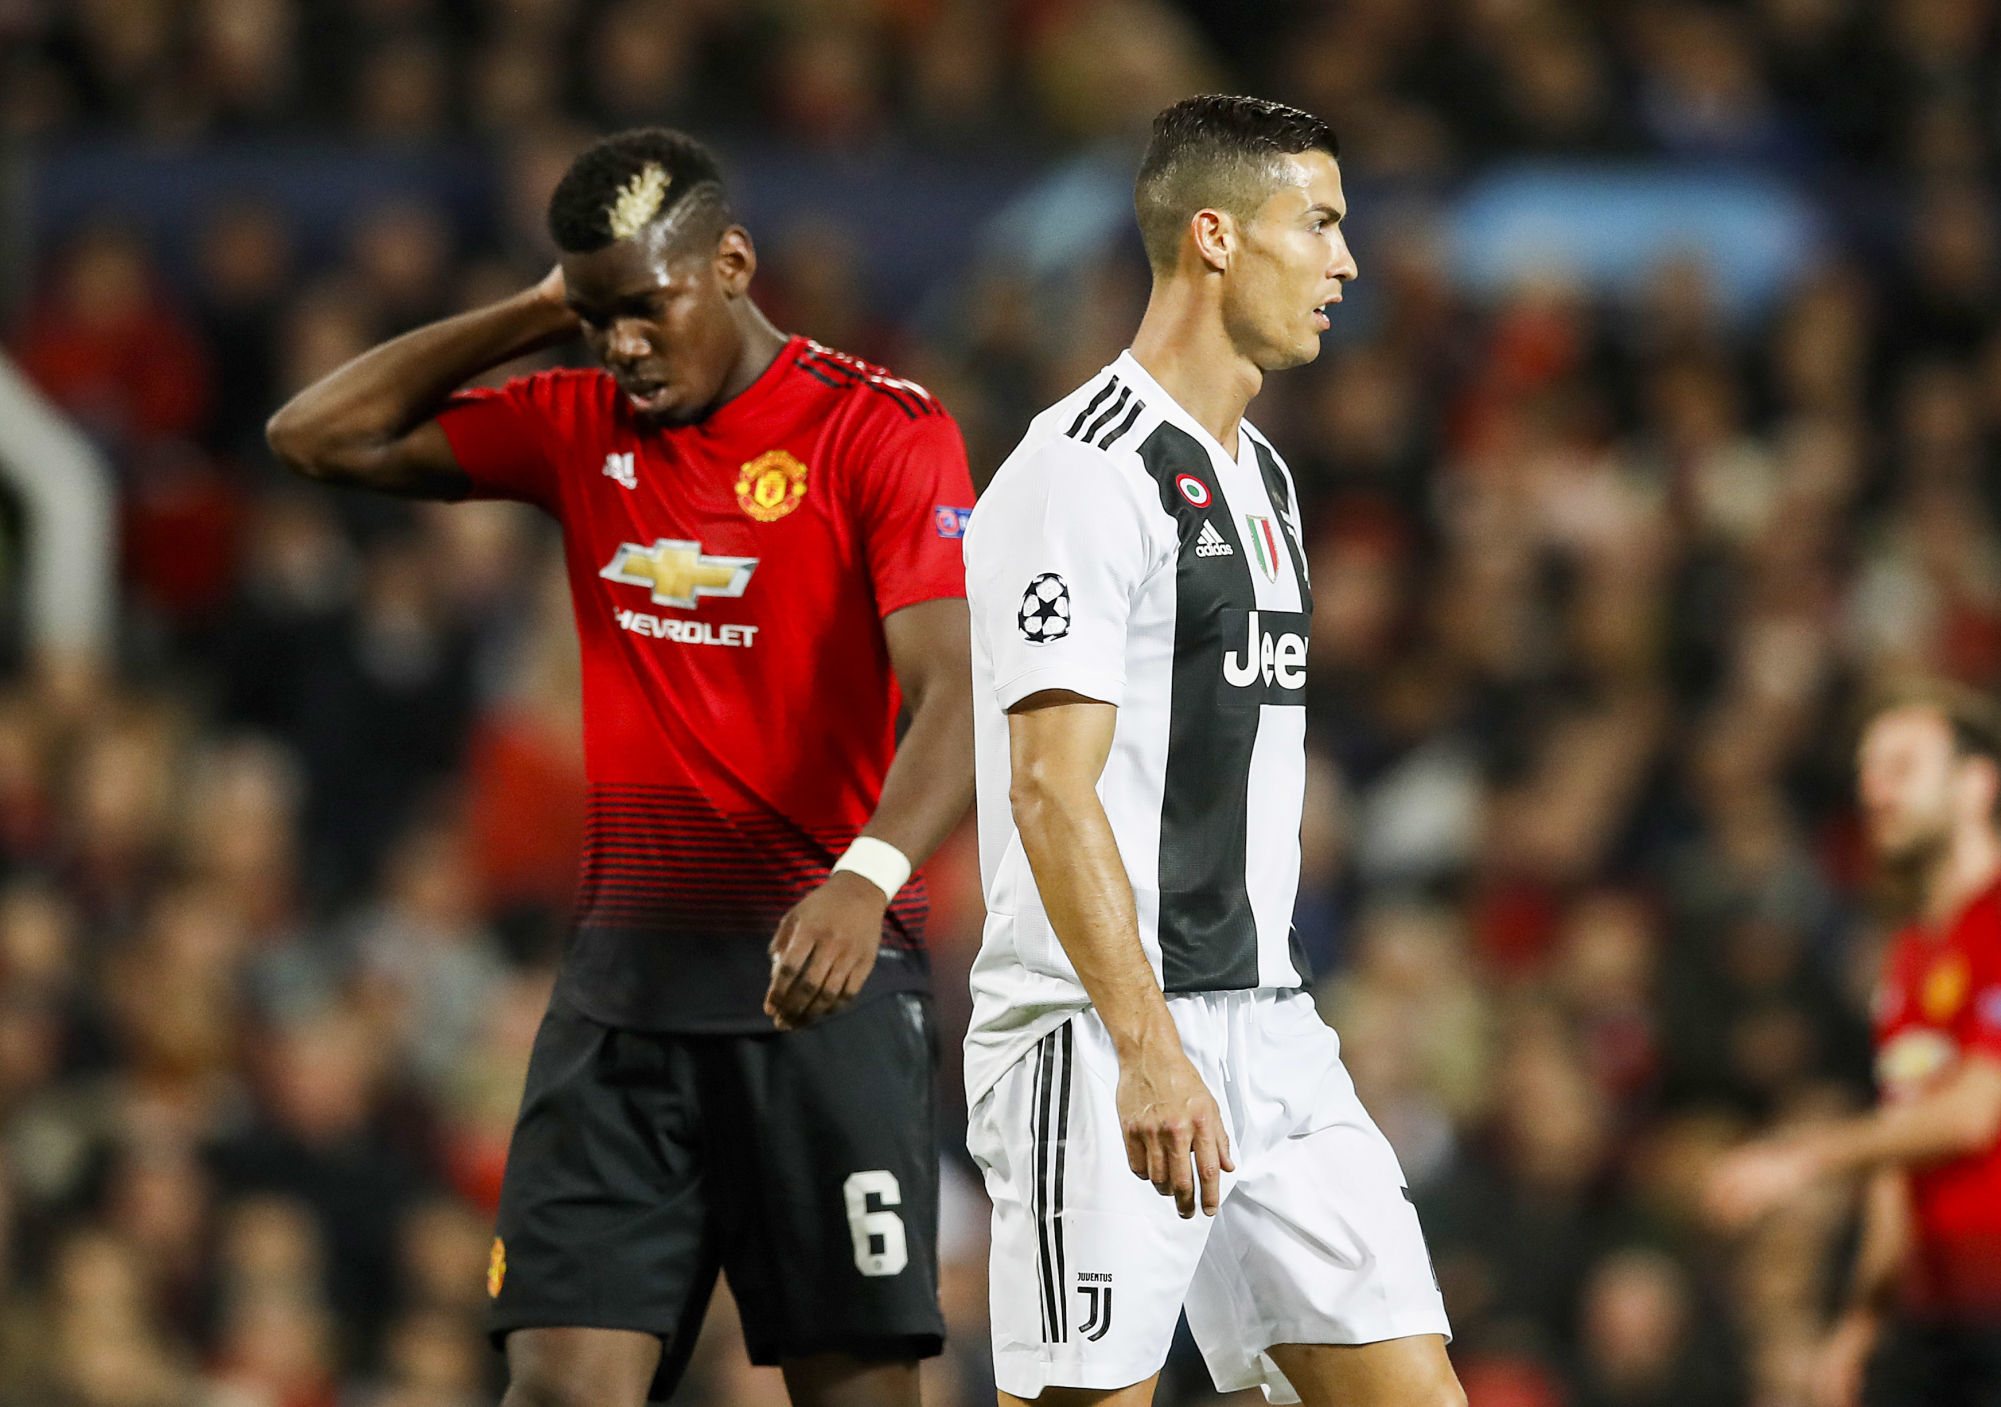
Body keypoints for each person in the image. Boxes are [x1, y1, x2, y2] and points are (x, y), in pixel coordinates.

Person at [266, 128, 976, 1407]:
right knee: (555, 1391)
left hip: (818, 1001)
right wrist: (543, 306)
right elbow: (315, 436)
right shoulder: (576, 423)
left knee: (856, 1393)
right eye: (597, 320)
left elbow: (960, 692)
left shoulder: (881, 434)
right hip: (621, 1010)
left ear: (734, 265)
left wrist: (866, 879)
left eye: (644, 308)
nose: (623, 347)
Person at [959, 95, 1464, 1407]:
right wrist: (1143, 1044)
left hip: (1272, 1027)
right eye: (1321, 223)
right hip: (1100, 1029)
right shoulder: (1079, 469)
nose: (1348, 261)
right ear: (1215, 238)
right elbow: (1046, 790)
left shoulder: (1266, 480)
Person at [1708, 682, 2001, 1407]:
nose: (1873, 790)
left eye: (1900, 766)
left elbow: (1974, 1111)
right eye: (1866, 772)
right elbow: (1900, 1151)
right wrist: (1862, 1323)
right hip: (1939, 1316)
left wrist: (1801, 1156)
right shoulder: (1909, 957)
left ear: (1975, 783)